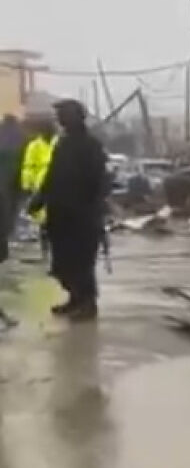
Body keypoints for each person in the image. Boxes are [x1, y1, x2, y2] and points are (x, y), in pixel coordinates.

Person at [29, 100, 107, 321]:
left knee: (82, 262)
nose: (60, 119)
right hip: (60, 214)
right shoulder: (62, 144)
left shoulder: (91, 146)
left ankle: (87, 303)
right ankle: (74, 298)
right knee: (63, 262)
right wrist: (39, 199)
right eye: (59, 114)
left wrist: (93, 208)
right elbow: (51, 176)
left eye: (64, 114)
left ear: (77, 116)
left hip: (82, 216)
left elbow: (100, 181)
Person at [20, 115, 58, 256]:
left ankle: (56, 250)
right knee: (43, 220)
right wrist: (27, 184)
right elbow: (28, 166)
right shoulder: (34, 146)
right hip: (40, 184)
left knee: (57, 219)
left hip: (57, 184)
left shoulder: (59, 143)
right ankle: (45, 250)